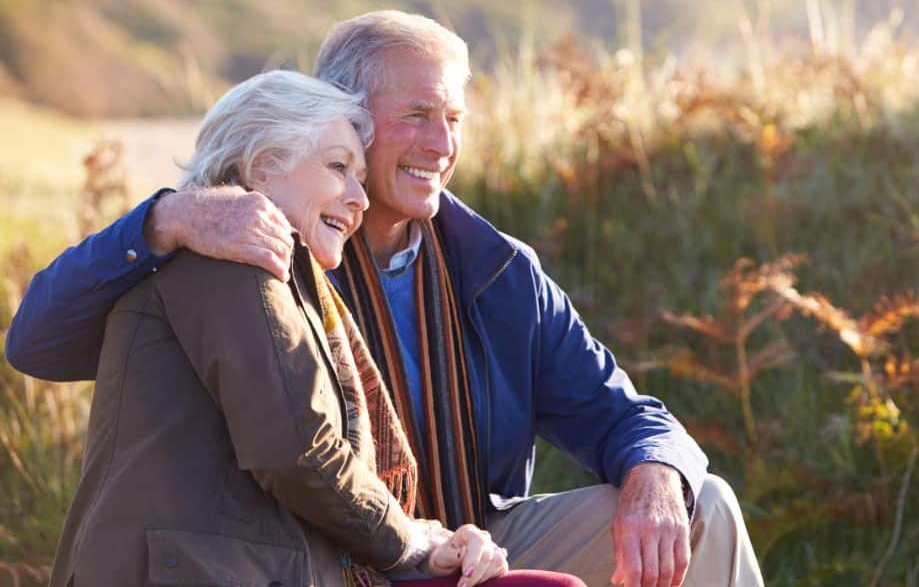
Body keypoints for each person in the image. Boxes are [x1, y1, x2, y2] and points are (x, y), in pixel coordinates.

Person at [7, 12, 763, 587]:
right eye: (415, 117)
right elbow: (39, 344)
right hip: (316, 546)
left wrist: (657, 477)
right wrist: (165, 219)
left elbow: (622, 414)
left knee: (703, 510)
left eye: (453, 120)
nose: (441, 146)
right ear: (340, 118)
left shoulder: (495, 269)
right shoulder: (240, 238)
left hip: (467, 539)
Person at [45, 70, 584, 587]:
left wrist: (427, 537)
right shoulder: (230, 264)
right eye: (337, 168)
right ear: (260, 169)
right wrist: (410, 544)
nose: (360, 198)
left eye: (359, 174)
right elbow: (299, 450)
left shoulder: (287, 283)